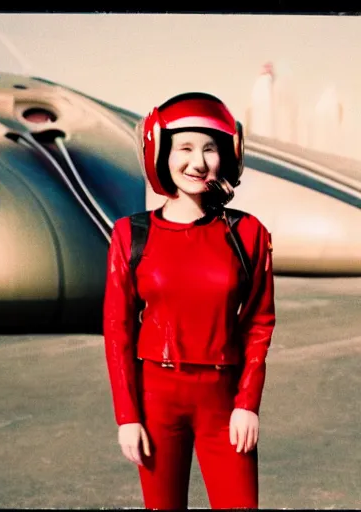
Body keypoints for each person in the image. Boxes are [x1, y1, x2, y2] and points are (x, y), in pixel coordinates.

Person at [103, 92, 276, 510]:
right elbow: (118, 330)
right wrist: (127, 417)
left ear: (227, 156)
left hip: (223, 399)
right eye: (184, 147)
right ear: (161, 153)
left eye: (209, 149)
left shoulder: (248, 233)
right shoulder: (130, 234)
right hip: (157, 398)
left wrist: (247, 405)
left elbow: (258, 322)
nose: (197, 162)